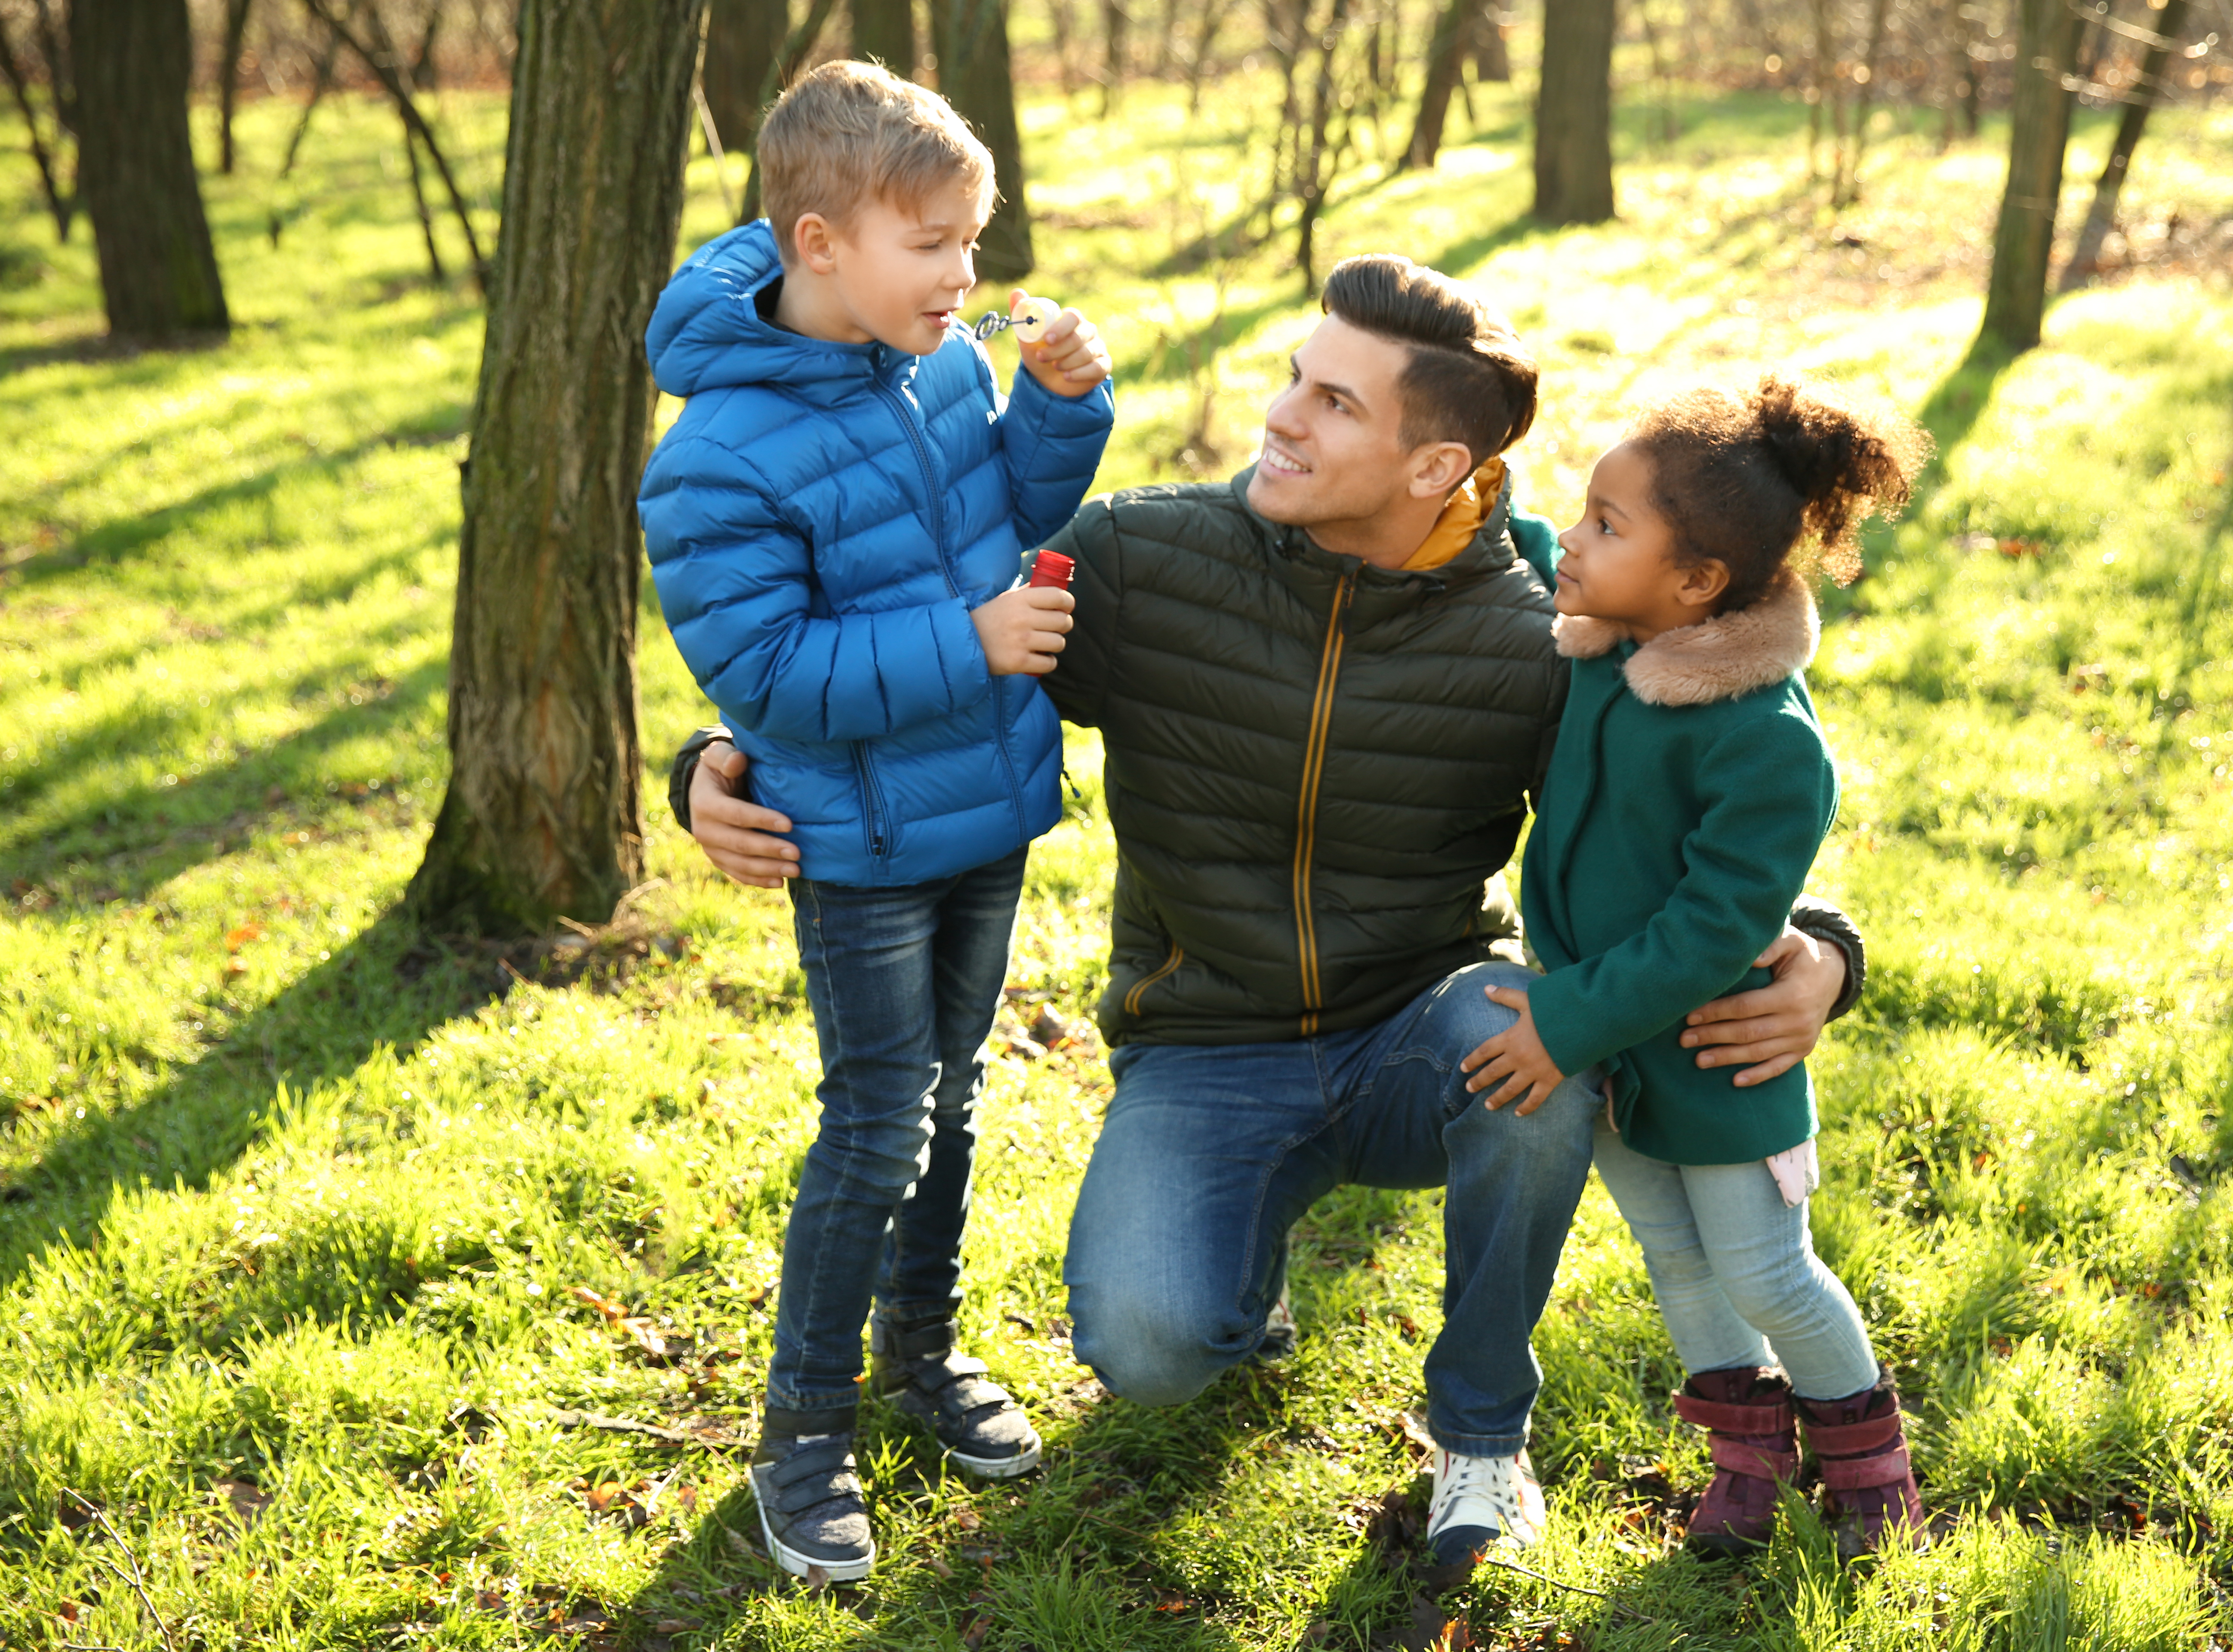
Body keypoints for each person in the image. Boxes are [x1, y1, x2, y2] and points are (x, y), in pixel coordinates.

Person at [671, 256, 1864, 1569]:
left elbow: (1698, 801)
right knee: (1153, 1344)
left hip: (1424, 1028)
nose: (1283, 415)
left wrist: (1826, 951)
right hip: (1206, 1045)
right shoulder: (1143, 559)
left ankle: (1480, 1438)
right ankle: (1251, 1258)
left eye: (1337, 404)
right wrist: (715, 757)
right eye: (1297, 377)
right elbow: (935, 642)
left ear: (1435, 468)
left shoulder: (1539, 624)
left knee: (1547, 1069)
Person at [634, 61, 1115, 1585]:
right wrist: (973, 645)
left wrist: (1058, 408)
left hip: (985, 811)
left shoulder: (941, 364)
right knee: (877, 1122)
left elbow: (1003, 520)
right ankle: (800, 1429)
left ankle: (924, 1355)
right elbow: (767, 672)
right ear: (820, 242)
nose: (968, 275)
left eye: (976, 240)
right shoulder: (715, 456)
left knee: (955, 1100)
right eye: (935, 245)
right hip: (860, 847)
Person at [1459, 373, 1929, 1557]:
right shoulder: (1616, 653)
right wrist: (1488, 493)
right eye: (1585, 511)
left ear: (1698, 584)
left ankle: (1869, 1459)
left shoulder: (1764, 743)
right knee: (1676, 1259)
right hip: (1619, 1051)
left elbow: (1710, 932)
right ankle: (1748, 1452)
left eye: (1608, 526)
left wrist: (1565, 1021)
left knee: (1767, 1270)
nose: (1577, 536)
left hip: (1721, 1056)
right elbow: (1530, 555)